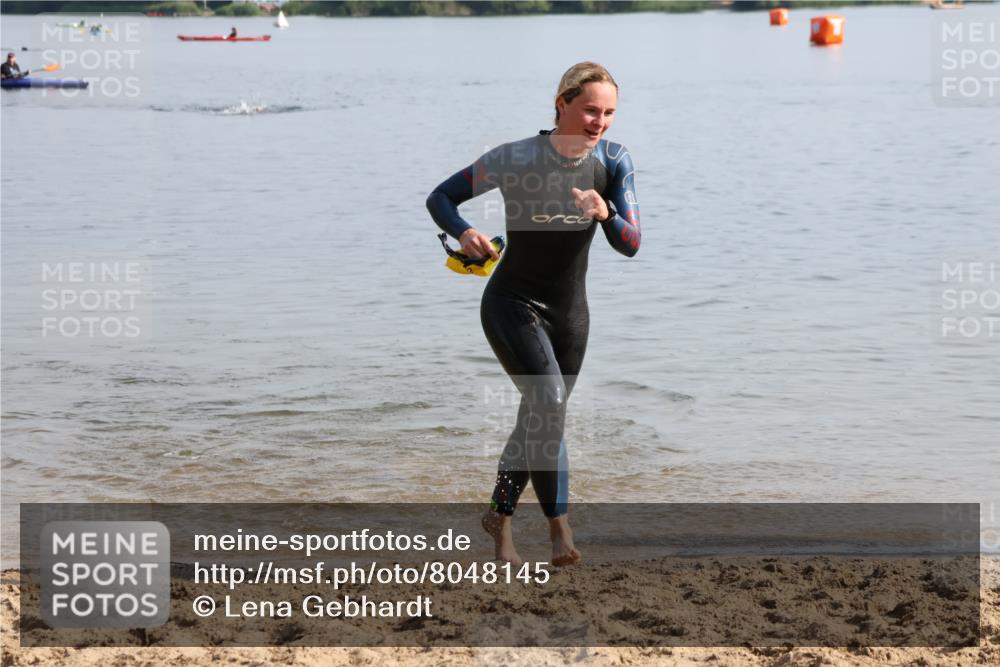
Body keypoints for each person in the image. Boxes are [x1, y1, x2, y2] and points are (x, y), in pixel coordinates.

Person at [426, 62, 641, 567]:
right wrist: (463, 233)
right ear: (562, 103)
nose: (600, 122)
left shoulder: (613, 161)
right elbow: (442, 196)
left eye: (609, 113)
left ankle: (499, 519)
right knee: (546, 401)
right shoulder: (515, 157)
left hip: (570, 316)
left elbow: (631, 244)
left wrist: (605, 213)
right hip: (511, 303)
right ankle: (559, 531)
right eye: (591, 109)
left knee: (538, 419)